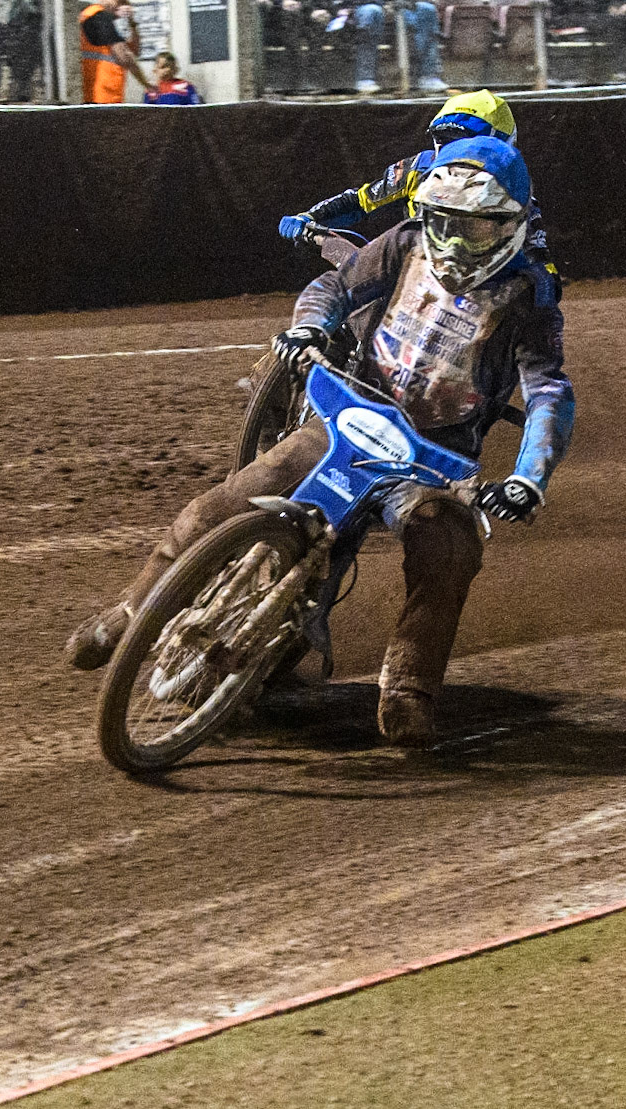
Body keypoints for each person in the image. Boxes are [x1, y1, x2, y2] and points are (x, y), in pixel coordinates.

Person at [66, 138, 576, 745]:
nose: (456, 242)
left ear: (511, 224)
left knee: (448, 550)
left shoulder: (531, 297)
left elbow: (548, 392)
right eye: (445, 223)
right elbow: (334, 286)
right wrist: (309, 328)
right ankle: (127, 616)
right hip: (347, 417)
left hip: (430, 463)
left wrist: (527, 479)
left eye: (475, 228)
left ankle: (409, 688)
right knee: (214, 509)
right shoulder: (404, 243)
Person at [278, 89, 561, 290]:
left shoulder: (512, 194)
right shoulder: (417, 167)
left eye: (460, 139)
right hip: (411, 281)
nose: (449, 148)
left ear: (498, 144)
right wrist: (309, 217)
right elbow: (360, 201)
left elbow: (542, 264)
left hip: (477, 293)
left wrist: (539, 288)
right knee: (346, 308)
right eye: (443, 138)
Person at [79, 0, 155, 102]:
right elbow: (124, 57)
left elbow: (135, 50)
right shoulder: (100, 16)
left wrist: (131, 23)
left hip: (101, 93)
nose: (122, 7)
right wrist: (146, 83)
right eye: (119, 2)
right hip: (103, 93)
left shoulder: (99, 17)